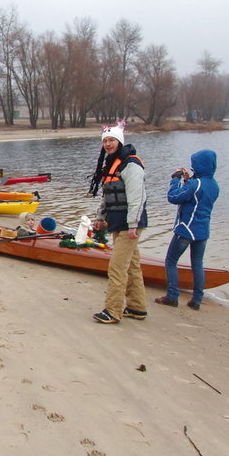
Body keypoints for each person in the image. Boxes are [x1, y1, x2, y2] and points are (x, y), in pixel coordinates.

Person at [88, 121, 148, 324]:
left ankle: (112, 311)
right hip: (118, 222)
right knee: (131, 266)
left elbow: (137, 196)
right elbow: (107, 196)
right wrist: (99, 218)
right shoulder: (111, 164)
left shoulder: (130, 165)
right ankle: (137, 308)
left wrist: (133, 224)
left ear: (119, 141)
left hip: (129, 224)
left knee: (116, 267)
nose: (108, 144)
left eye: (111, 140)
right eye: (105, 141)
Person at [155, 150, 219, 310]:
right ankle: (197, 300)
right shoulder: (214, 185)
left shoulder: (195, 184)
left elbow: (173, 197)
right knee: (197, 264)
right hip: (203, 231)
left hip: (186, 229)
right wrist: (187, 180)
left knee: (171, 261)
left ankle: (172, 296)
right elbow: (196, 197)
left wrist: (175, 179)